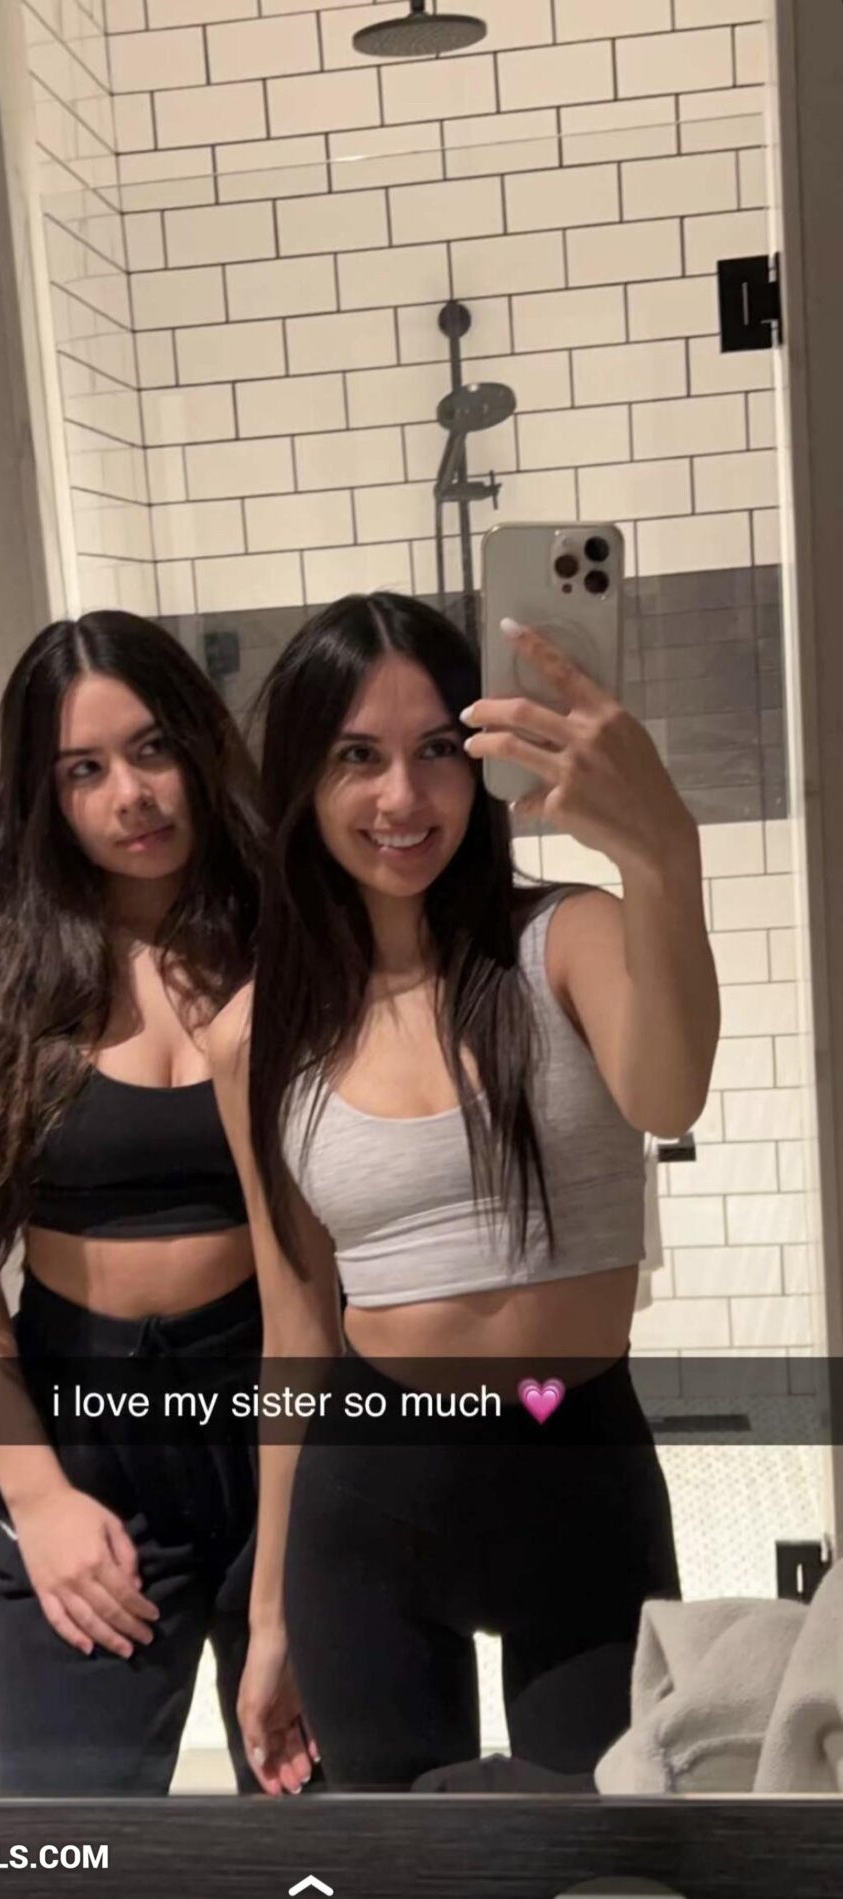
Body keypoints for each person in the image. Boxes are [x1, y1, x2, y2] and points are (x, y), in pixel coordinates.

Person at [207, 591, 720, 1795]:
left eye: (437, 748)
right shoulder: (256, 1035)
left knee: (604, 1856)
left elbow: (670, 1092)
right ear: (303, 781)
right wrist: (269, 1614)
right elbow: (295, 1328)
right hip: (367, 1504)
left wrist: (660, 849)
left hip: (577, 1473)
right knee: (400, 1867)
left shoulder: (567, 941)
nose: (402, 797)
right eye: (356, 756)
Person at [0, 610, 268, 1795]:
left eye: (152, 748)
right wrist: (38, 1495)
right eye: (84, 770)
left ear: (199, 746)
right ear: (42, 793)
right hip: (81, 1430)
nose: (131, 795)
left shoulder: (288, 939)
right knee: (67, 1841)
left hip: (282, 1412)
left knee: (322, 1831)